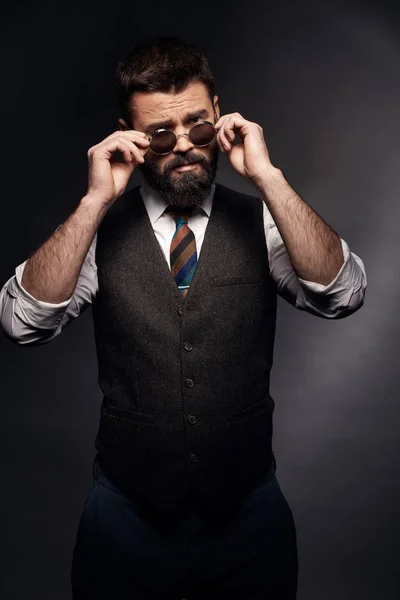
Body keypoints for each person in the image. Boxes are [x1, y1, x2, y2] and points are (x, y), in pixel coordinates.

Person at [0, 37, 366, 599]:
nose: (184, 147)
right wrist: (95, 202)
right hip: (124, 520)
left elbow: (341, 294)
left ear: (218, 115)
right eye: (161, 134)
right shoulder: (97, 232)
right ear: (133, 135)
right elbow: (23, 322)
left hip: (249, 519)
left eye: (197, 126)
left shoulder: (265, 222)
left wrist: (267, 178)